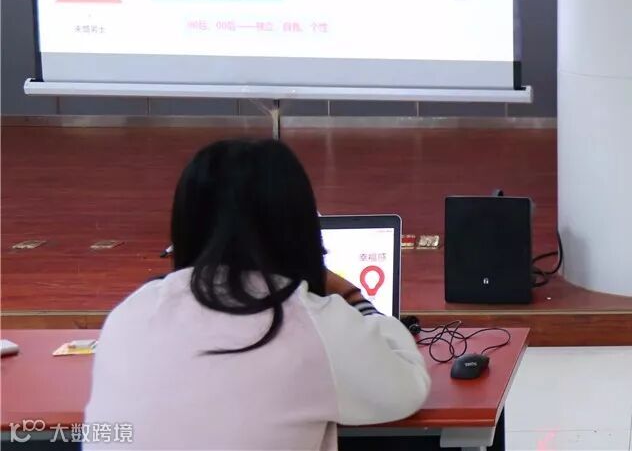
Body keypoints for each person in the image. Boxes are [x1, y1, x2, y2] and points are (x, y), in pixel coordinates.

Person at [84, 138, 430, 450]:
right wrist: (352, 296)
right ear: (299, 227)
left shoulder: (129, 314)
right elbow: (406, 387)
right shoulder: (311, 322)